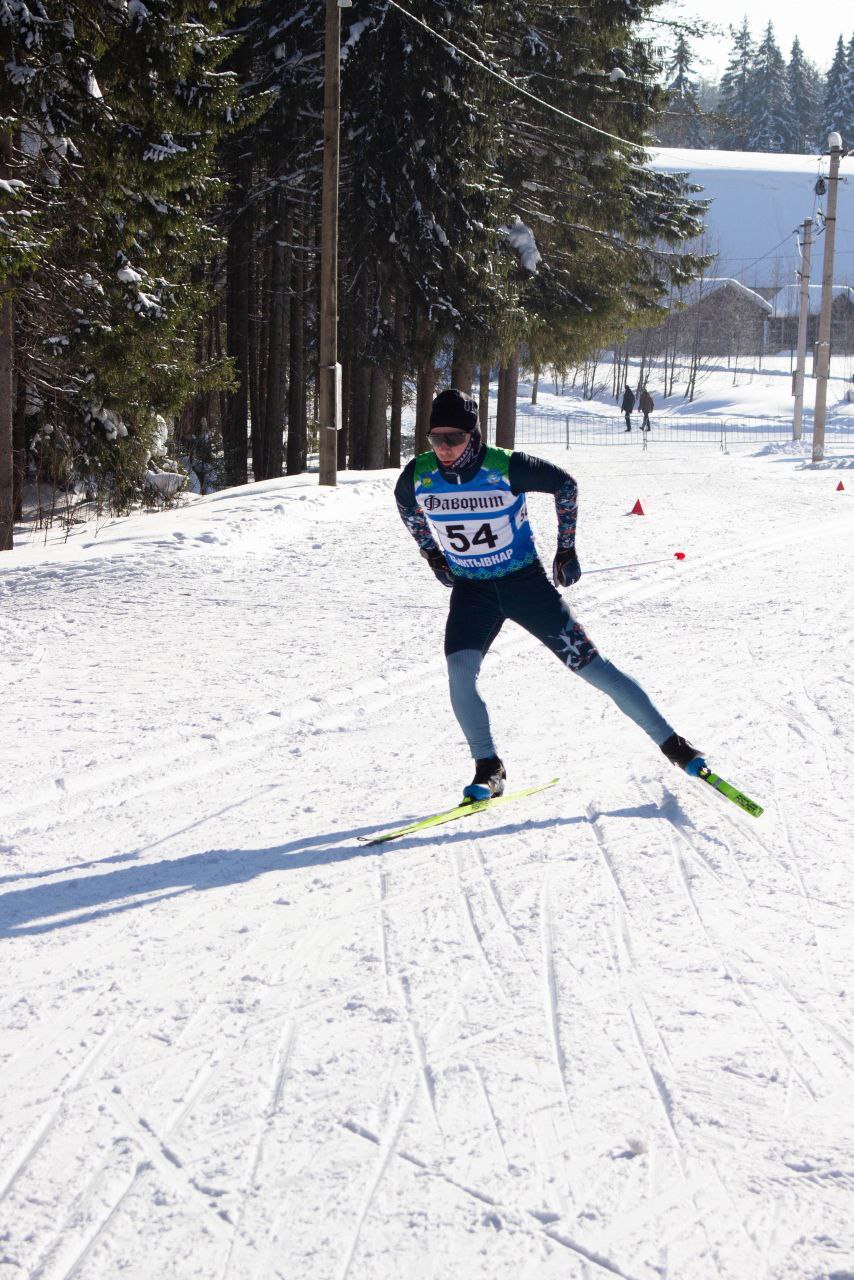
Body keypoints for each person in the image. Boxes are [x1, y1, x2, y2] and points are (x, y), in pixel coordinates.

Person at [395, 387, 707, 801]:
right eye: (436, 438)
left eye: (454, 438)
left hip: (525, 586)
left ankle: (675, 745)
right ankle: (488, 767)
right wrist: (432, 553)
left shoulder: (505, 466)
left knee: (595, 669)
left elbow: (565, 485)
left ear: (474, 435)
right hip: (472, 592)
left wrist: (566, 549)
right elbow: (405, 504)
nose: (444, 448)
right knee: (460, 676)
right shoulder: (419, 474)